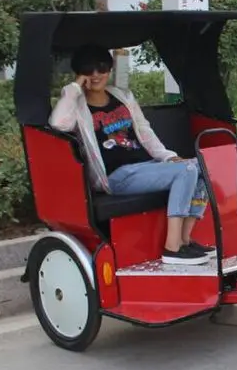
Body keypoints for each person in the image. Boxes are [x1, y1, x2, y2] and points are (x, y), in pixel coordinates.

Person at [49, 44, 213, 265]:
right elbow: (58, 124)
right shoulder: (77, 106)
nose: (96, 75)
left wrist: (168, 157)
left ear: (109, 70)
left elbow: (144, 133)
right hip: (117, 176)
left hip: (145, 166)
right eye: (89, 70)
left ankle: (185, 239)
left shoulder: (122, 96)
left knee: (203, 165)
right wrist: (75, 87)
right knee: (187, 170)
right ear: (81, 73)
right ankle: (172, 248)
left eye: (102, 68)